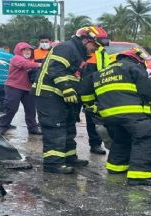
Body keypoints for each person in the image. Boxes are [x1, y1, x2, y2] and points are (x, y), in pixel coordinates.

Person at [79, 47, 151, 186]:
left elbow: (84, 89)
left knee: (121, 138)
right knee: (147, 135)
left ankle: (116, 167)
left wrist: (92, 107)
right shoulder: (132, 67)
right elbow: (148, 91)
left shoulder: (100, 72)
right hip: (130, 112)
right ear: (136, 59)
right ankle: (140, 176)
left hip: (108, 116)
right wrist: (146, 108)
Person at [32, 26, 109, 174]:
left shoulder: (79, 53)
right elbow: (55, 69)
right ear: (86, 40)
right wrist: (67, 88)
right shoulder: (67, 48)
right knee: (55, 128)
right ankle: (53, 164)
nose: (96, 50)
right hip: (49, 95)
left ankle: (69, 157)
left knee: (68, 126)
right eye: (95, 45)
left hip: (61, 97)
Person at [0, 42, 42, 135]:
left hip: (28, 88)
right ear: (19, 51)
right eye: (24, 50)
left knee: (31, 109)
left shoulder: (32, 60)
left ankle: (33, 128)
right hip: (14, 87)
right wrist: (40, 65)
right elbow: (25, 64)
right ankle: (2, 126)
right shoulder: (16, 58)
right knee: (11, 108)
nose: (27, 51)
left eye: (29, 49)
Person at [77, 45, 110, 155]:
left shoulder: (101, 52)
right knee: (70, 118)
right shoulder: (76, 50)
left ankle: (95, 144)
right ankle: (67, 148)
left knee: (92, 117)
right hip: (74, 88)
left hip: (93, 90)